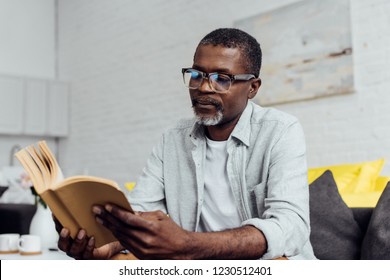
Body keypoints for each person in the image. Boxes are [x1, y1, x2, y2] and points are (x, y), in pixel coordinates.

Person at [55, 28, 316, 260]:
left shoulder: (281, 130)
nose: (203, 88)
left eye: (221, 79)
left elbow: (290, 226)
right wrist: (108, 245)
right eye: (196, 74)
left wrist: (188, 245)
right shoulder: (173, 137)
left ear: (252, 87)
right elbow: (142, 208)